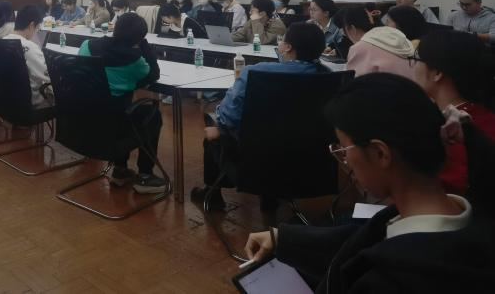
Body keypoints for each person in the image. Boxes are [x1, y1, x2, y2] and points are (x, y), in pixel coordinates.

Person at [244, 74, 495, 293]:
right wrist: (284, 238)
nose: (344, 161)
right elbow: (366, 239)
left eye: (344, 149)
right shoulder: (468, 216)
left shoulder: (388, 281)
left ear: (380, 153)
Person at [191, 22, 328, 210]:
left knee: (214, 131)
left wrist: (219, 123)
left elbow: (229, 115)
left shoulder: (256, 72)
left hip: (257, 153)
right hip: (309, 155)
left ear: (288, 47)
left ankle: (213, 194)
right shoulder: (328, 76)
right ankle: (270, 195)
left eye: (282, 40)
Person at [77, 12, 168, 194]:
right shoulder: (134, 61)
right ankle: (145, 175)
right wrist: (144, 45)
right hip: (114, 126)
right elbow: (153, 74)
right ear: (138, 38)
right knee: (151, 115)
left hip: (84, 122)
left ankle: (120, 169)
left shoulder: (86, 45)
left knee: (120, 110)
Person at [411, 29, 495, 194]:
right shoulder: (480, 114)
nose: (412, 66)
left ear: (437, 73)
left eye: (415, 59)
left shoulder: (458, 132)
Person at [3, 5, 52, 107]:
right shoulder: (30, 47)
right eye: (37, 28)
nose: (36, 32)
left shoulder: (3, 40)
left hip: (8, 98)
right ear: (31, 25)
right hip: (32, 101)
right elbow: (49, 75)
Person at [346, 25, 416, 80]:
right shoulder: (403, 40)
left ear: (352, 29)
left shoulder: (359, 48)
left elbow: (355, 83)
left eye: (388, 20)